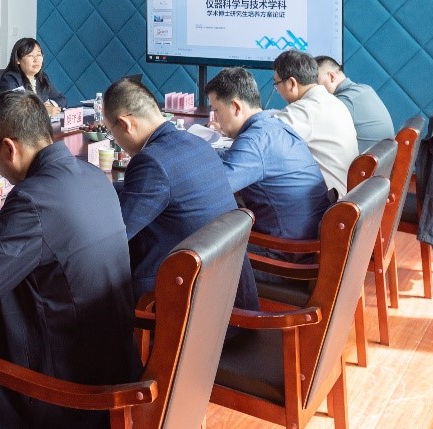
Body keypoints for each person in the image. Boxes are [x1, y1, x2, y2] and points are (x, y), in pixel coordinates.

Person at [0, 91, 138, 429]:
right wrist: (4, 232)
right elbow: (58, 239)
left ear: (8, 148)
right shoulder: (91, 174)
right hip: (111, 368)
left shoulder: (31, 199)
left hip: (63, 392)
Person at [102, 77, 259, 312]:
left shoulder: (151, 161)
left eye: (110, 131)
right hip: (225, 297)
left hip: (185, 306)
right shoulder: (196, 143)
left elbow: (117, 237)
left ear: (125, 124)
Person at [206, 67, 329, 246]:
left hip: (285, 249)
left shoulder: (254, 140)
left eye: (216, 110)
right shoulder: (274, 126)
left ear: (236, 107)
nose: (215, 118)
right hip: (306, 236)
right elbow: (234, 158)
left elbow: (211, 189)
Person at [271, 50, 359, 197]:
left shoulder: (305, 109)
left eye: (277, 84)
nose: (277, 90)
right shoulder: (332, 101)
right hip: (346, 193)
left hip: (328, 203)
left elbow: (262, 137)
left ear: (292, 83)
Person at [314, 55, 395, 152]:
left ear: (331, 76)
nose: (313, 88)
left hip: (365, 160)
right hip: (383, 157)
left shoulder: (343, 102)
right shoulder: (365, 88)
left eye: (316, 83)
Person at [0, 37, 67, 114]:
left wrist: (50, 105)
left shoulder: (42, 77)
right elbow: (11, 109)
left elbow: (62, 99)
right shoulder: (10, 79)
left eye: (39, 55)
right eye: (30, 55)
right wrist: (42, 109)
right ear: (17, 60)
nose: (36, 60)